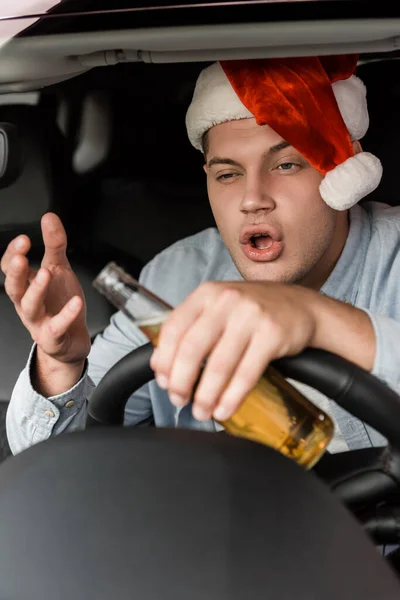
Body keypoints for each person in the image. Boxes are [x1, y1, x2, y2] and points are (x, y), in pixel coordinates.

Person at [3, 54, 400, 456]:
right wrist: (60, 366)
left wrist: (320, 321)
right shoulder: (178, 277)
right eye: (227, 174)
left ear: (341, 167)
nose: (251, 200)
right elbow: (54, 462)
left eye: (285, 164)